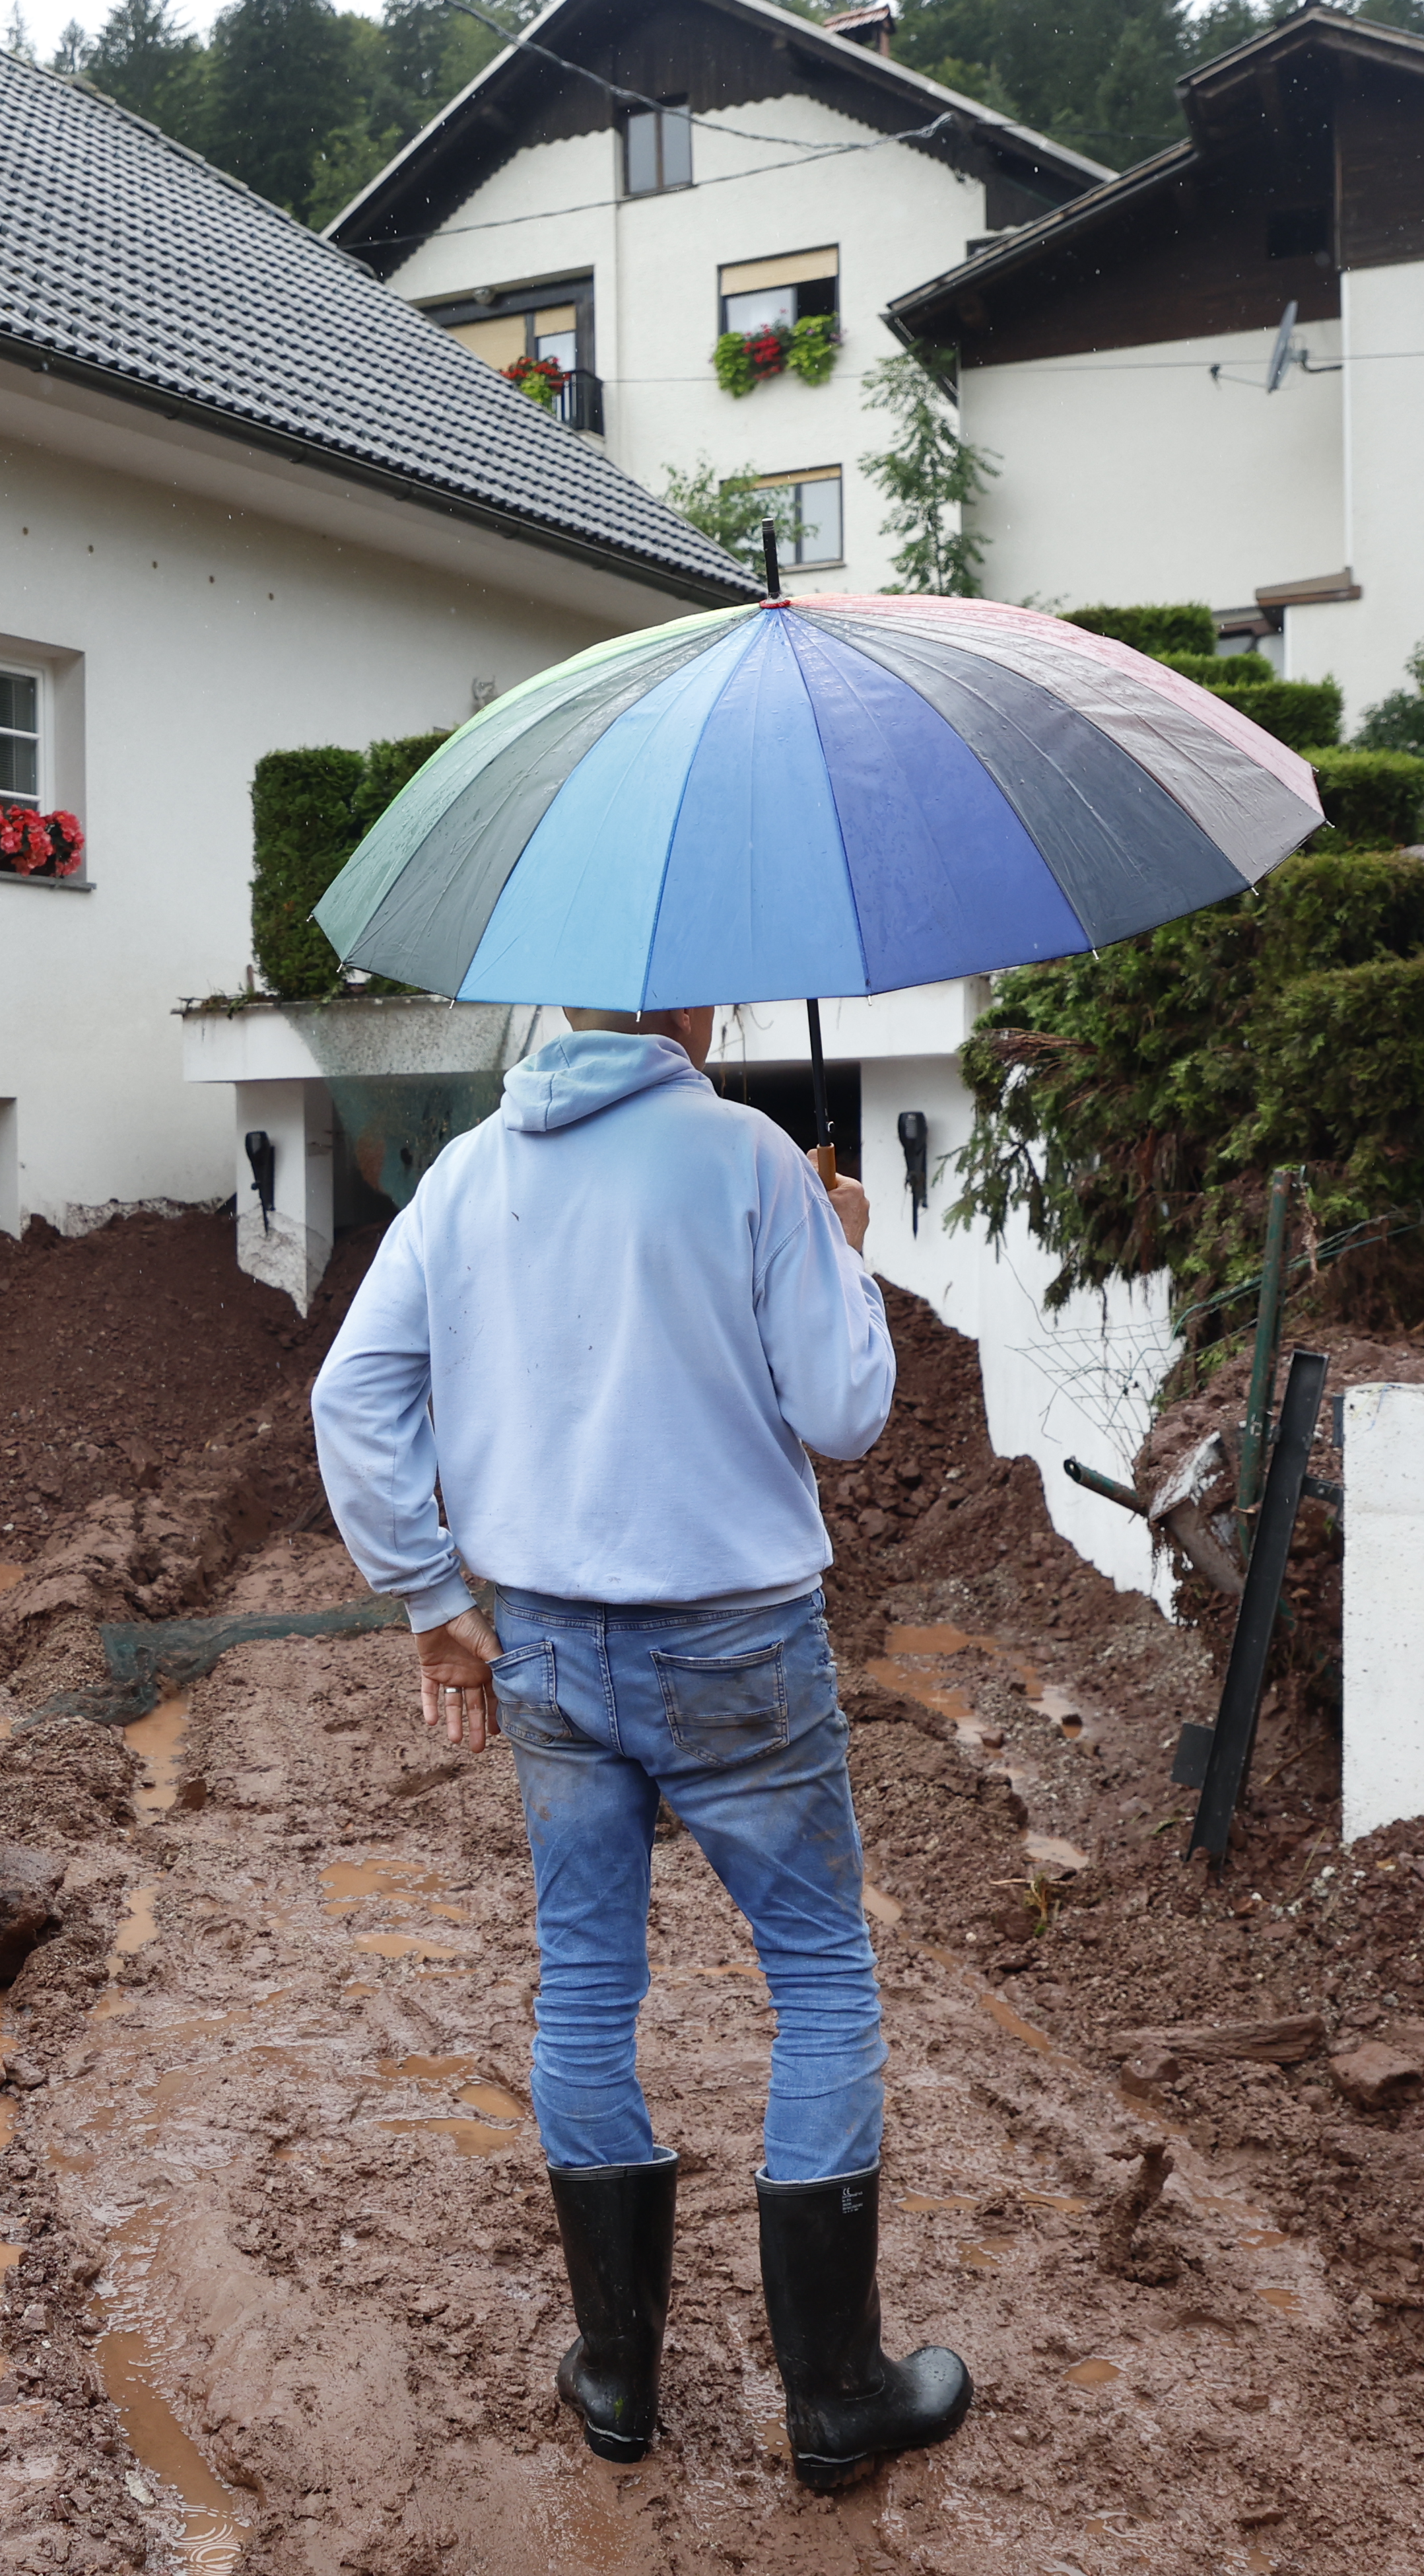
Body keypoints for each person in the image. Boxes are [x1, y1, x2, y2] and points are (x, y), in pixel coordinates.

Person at [311, 1003, 970, 2489]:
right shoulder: (747, 1159)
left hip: (544, 1632)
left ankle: (616, 2375)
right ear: (698, 1006)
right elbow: (850, 1413)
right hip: (737, 1635)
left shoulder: (474, 1169)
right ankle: (837, 2393)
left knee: (590, 1979)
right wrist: (840, 1239)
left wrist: (430, 1600)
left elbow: (351, 1396)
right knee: (817, 1976)